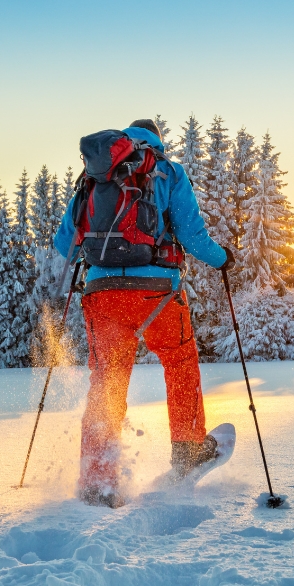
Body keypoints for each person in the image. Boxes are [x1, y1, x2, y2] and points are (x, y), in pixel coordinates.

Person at [53, 118, 234, 507]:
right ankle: (187, 449)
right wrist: (222, 260)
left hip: (101, 294)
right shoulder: (167, 171)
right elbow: (191, 234)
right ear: (157, 141)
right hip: (157, 293)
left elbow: (64, 242)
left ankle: (97, 480)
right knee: (179, 360)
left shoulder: (94, 176)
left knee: (107, 380)